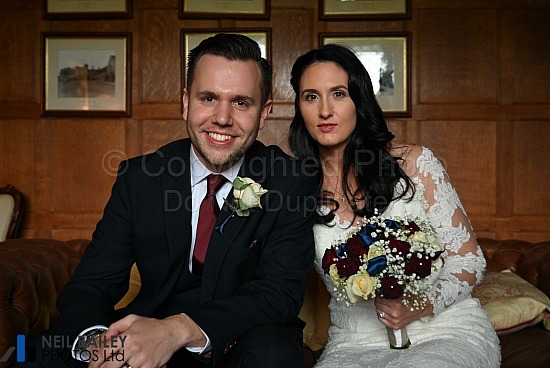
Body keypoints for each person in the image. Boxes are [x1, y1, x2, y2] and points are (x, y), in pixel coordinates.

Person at [19, 33, 318, 368]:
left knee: (274, 355)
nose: (222, 118)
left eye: (240, 103)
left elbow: (279, 293)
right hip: (151, 328)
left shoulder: (290, 180)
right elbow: (92, 284)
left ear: (263, 113)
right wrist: (99, 345)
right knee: (27, 352)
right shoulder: (140, 178)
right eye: (208, 98)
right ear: (186, 102)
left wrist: (178, 330)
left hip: (241, 337)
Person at [288, 44, 501, 367]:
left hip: (443, 331)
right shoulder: (294, 188)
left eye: (339, 94)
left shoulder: (414, 164)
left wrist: (420, 304)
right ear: (299, 107)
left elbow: (470, 260)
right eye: (311, 96)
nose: (325, 111)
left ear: (359, 100)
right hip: (353, 343)